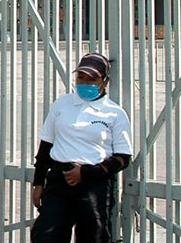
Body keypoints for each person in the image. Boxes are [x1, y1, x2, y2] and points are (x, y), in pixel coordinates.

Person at [30, 53, 133, 243]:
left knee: (92, 237)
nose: (85, 83)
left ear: (105, 82)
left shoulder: (115, 113)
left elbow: (123, 157)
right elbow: (45, 147)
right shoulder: (62, 104)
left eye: (92, 79)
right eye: (81, 77)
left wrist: (86, 173)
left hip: (94, 184)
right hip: (59, 182)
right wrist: (38, 183)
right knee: (46, 236)